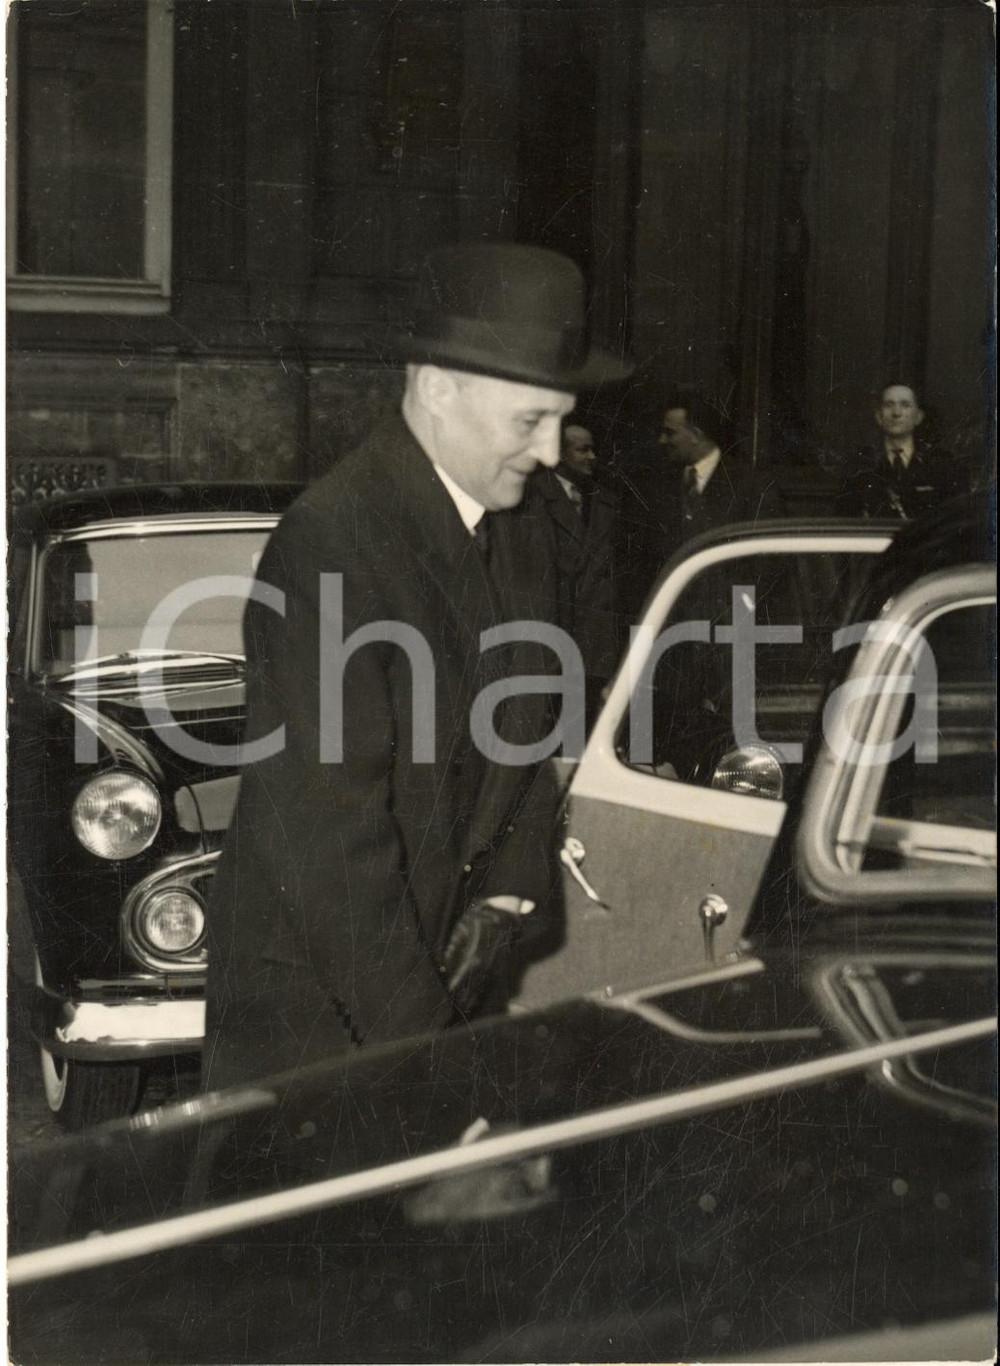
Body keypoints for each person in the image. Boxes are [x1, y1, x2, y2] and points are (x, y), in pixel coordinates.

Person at [202, 243, 632, 1091]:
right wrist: (429, 1051)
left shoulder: (526, 524)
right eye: (528, 421)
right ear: (439, 389)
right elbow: (327, 840)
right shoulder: (332, 541)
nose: (551, 452)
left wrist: (508, 895)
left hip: (460, 966)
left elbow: (532, 724)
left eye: (560, 419)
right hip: (332, 1005)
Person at [619, 387, 780, 620]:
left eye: (670, 433)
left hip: (729, 629)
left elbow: (767, 563)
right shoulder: (656, 485)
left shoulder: (751, 485)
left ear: (695, 433)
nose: (662, 440)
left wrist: (734, 613)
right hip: (669, 630)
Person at [536, 424, 620, 720]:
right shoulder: (534, 500)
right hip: (554, 642)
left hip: (595, 648)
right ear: (558, 453)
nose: (592, 457)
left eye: (592, 448)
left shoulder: (604, 502)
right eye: (582, 449)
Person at [836, 383, 959, 520]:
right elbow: (846, 518)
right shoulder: (859, 463)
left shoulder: (941, 462)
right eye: (889, 405)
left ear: (918, 416)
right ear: (878, 416)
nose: (896, 413)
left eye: (905, 405)